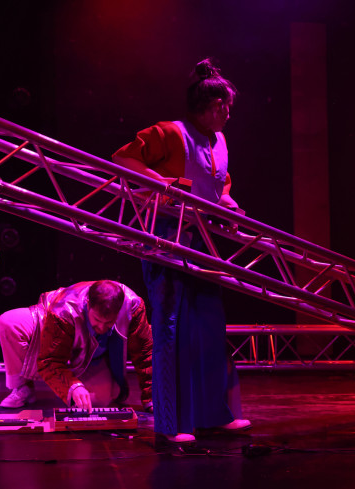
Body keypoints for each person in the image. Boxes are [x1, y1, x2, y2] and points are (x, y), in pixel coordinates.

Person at [112, 58, 250, 443]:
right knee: (172, 327)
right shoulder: (170, 132)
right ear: (207, 105)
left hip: (203, 242)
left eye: (228, 107)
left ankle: (215, 413)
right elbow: (123, 158)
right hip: (165, 236)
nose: (227, 113)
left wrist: (228, 202)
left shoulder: (219, 141)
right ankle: (174, 424)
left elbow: (220, 185)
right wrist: (166, 184)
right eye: (223, 106)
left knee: (210, 325)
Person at [0, 280, 153, 413]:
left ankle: (75, 381)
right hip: (52, 326)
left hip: (94, 356)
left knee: (94, 403)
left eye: (109, 323)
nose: (102, 327)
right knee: (9, 323)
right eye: (97, 320)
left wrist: (151, 398)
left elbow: (145, 353)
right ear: (88, 304)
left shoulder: (133, 307)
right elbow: (50, 360)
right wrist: (73, 386)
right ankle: (22, 388)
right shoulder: (63, 311)